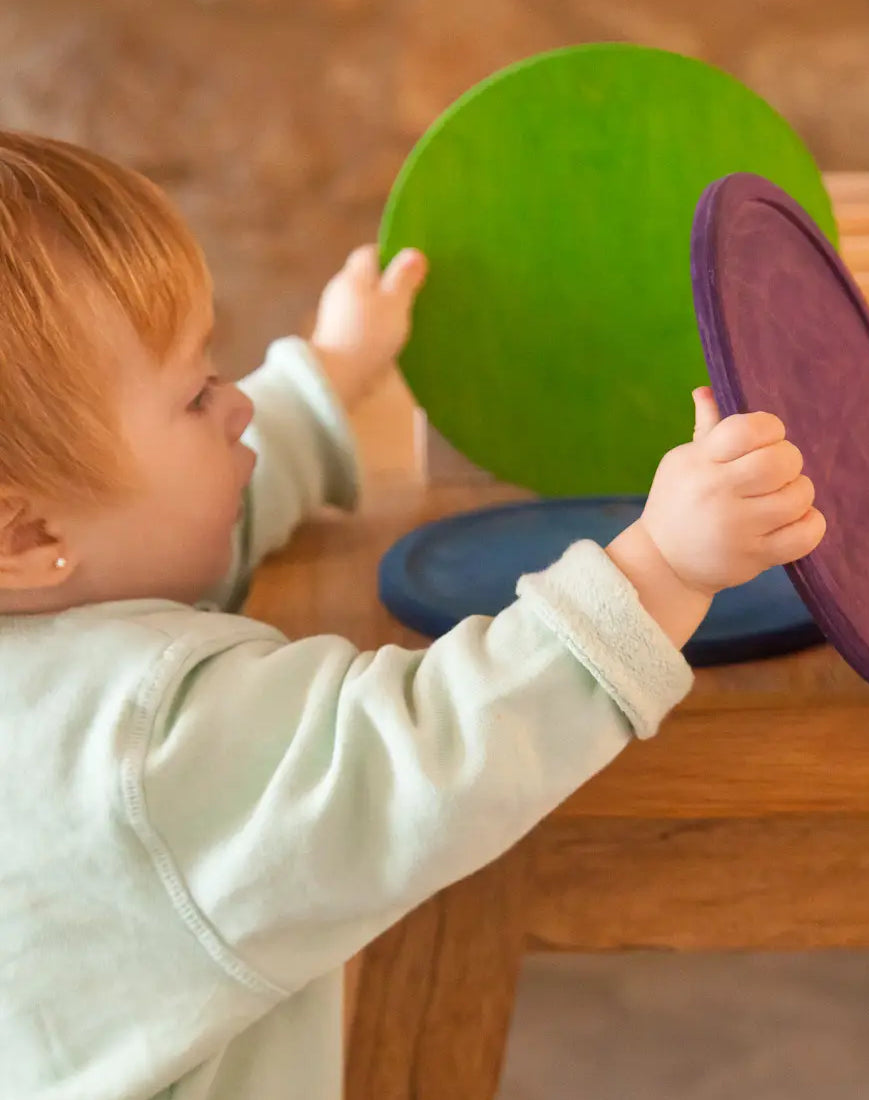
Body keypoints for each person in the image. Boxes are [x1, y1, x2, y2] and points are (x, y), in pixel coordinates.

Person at [0, 131, 825, 1099]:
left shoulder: (46, 605)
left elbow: (139, 525)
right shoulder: (140, 749)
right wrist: (664, 564)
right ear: (21, 530)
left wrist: (329, 374)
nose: (233, 409)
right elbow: (423, 750)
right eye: (194, 394)